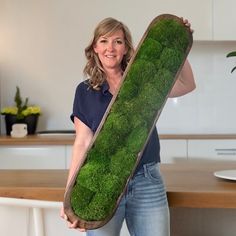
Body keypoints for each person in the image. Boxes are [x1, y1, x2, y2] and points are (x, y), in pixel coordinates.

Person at [61, 17, 195, 236]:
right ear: (95, 47)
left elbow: (187, 85)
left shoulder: (144, 81)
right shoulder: (85, 91)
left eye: (118, 42)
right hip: (102, 183)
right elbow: (82, 142)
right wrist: (69, 198)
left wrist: (180, 42)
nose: (110, 48)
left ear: (126, 48)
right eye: (104, 41)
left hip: (147, 180)